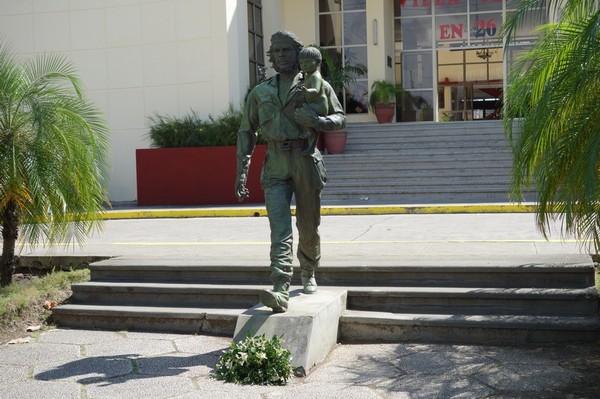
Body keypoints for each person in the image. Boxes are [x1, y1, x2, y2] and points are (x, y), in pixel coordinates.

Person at [235, 31, 345, 313]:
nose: (281, 55)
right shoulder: (260, 92)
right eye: (277, 51)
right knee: (279, 229)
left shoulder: (316, 84)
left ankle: (308, 270)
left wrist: (317, 120)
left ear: (298, 53)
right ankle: (280, 286)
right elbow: (246, 131)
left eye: (286, 50)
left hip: (305, 160)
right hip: (275, 163)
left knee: (308, 225)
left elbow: (339, 117)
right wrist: (241, 170)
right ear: (271, 57)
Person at [297, 46, 328, 154]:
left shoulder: (315, 76)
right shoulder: (306, 75)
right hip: (312, 103)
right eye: (301, 63)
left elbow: (315, 90)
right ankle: (308, 133)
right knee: (299, 111)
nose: (304, 65)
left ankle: (309, 132)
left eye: (308, 62)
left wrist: (306, 90)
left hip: (319, 105)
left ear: (317, 62)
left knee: (302, 112)